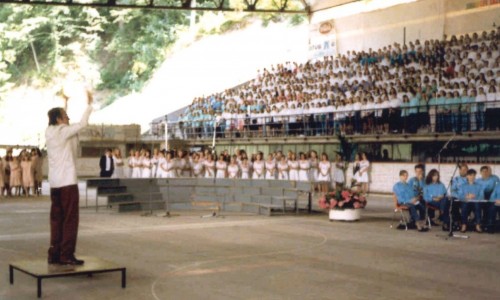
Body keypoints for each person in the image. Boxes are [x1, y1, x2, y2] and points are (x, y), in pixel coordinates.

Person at [45, 90, 93, 265]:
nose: (68, 117)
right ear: (59, 120)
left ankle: (54, 253)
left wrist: (65, 104)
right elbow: (82, 123)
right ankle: (66, 254)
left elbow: (60, 123)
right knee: (70, 218)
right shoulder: (64, 131)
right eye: (65, 116)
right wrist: (89, 105)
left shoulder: (49, 131)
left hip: (55, 183)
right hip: (67, 181)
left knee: (56, 218)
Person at [458, 169, 484, 233]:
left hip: (475, 202)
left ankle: (478, 225)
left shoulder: (479, 186)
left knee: (477, 205)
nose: (472, 177)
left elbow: (482, 196)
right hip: (466, 202)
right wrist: (466, 197)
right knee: (464, 205)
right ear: (467, 176)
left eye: (473, 175)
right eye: (470, 175)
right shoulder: (462, 186)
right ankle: (464, 225)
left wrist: (474, 196)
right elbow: (460, 195)